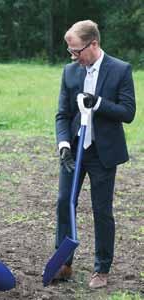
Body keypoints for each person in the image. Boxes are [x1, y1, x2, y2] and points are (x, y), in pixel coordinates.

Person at [54, 20, 135, 288]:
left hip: (103, 154)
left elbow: (128, 112)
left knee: (101, 211)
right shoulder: (70, 72)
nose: (74, 57)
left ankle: (101, 269)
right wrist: (64, 144)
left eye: (77, 51)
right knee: (65, 203)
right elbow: (63, 115)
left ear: (94, 44)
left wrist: (99, 104)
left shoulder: (120, 70)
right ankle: (63, 263)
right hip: (75, 150)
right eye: (71, 51)